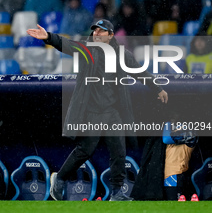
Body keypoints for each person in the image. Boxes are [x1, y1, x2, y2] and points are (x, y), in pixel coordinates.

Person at [27, 19, 168, 201]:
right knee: (85, 150)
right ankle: (59, 178)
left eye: (101, 31)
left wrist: (157, 88)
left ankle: (117, 193)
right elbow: (67, 45)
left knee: (119, 152)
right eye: (95, 31)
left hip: (112, 111)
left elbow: (140, 72)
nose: (96, 34)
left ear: (110, 35)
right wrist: (48, 37)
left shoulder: (122, 55)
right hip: (92, 111)